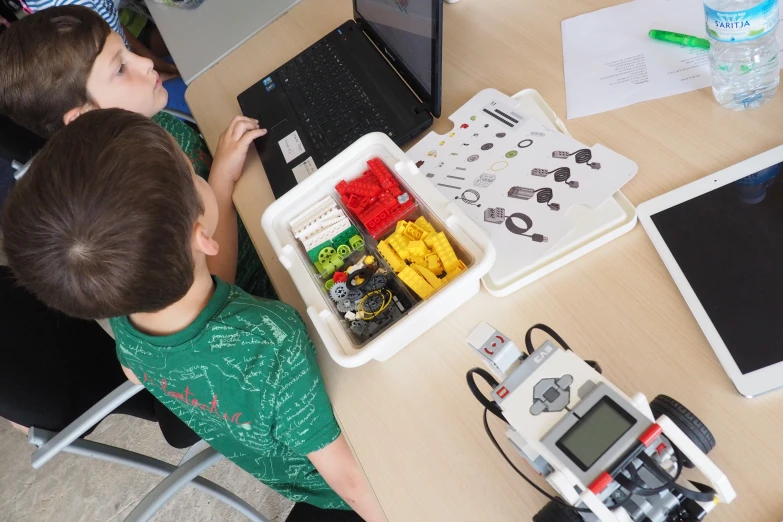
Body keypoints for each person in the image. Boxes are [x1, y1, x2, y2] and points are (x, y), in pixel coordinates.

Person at [1, 109, 383, 522]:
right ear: (202, 235)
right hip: (348, 482)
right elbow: (352, 482)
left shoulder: (129, 325)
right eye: (192, 172)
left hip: (296, 470)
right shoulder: (272, 340)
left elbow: (144, 364)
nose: (197, 175)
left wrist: (220, 177)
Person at [0, 4, 275, 298]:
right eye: (120, 69)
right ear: (83, 117)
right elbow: (212, 285)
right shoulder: (129, 190)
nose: (144, 63)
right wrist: (221, 176)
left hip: (254, 210)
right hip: (264, 278)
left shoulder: (145, 116)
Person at [22, 0, 179, 80]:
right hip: (128, 84)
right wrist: (157, 74)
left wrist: (159, 63)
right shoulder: (64, 9)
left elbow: (112, 29)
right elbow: (106, 76)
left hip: (131, 62)